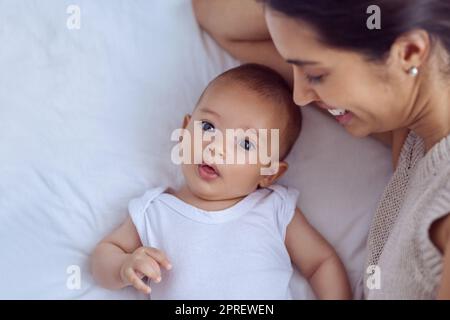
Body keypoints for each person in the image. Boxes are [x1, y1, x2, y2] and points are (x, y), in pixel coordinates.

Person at [193, 0, 450, 299]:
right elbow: (214, 14)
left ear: (408, 52)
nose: (300, 97)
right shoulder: (412, 129)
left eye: (316, 75)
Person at [90, 64, 352, 299]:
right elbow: (104, 255)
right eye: (207, 127)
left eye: (246, 143)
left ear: (268, 173)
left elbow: (321, 263)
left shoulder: (275, 209)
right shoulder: (155, 210)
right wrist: (124, 266)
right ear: (184, 132)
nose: (215, 147)